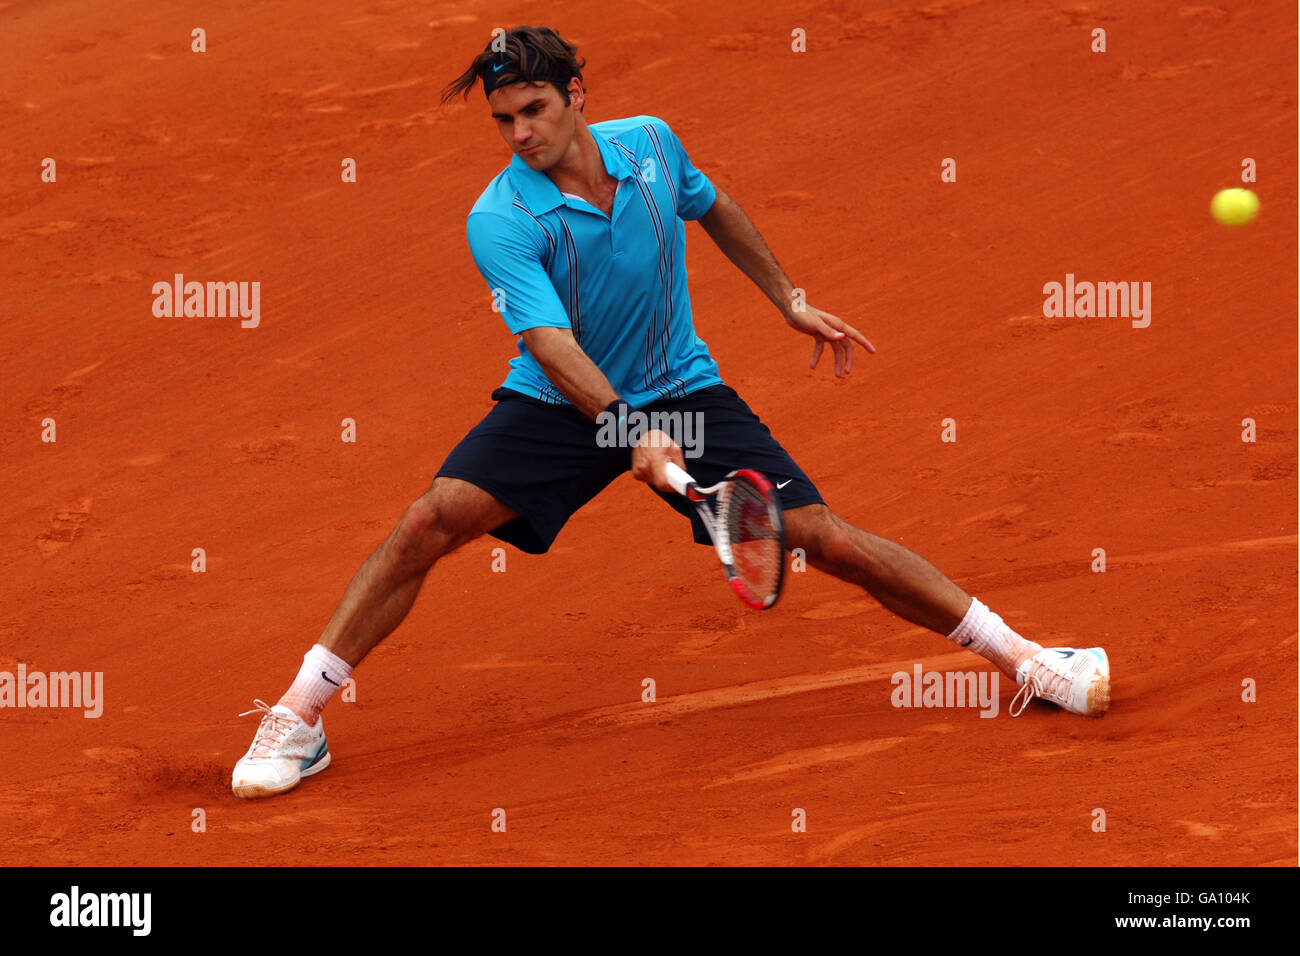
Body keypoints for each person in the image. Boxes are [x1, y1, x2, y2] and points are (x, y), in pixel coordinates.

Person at [232, 25, 1109, 799]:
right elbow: (551, 347)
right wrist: (628, 429)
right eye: (503, 120)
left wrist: (787, 297)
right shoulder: (498, 218)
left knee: (827, 539)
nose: (520, 134)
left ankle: (1029, 661)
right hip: (560, 404)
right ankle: (298, 720)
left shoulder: (650, 145)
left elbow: (713, 206)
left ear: (578, 95)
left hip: (683, 392)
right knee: (429, 522)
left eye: (533, 109)